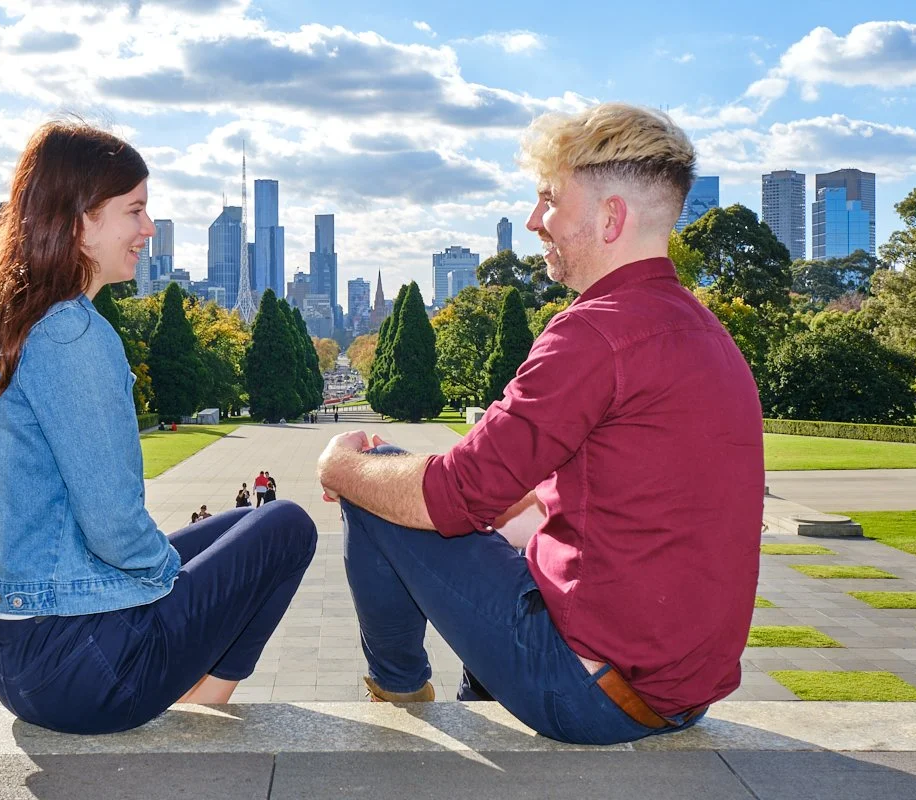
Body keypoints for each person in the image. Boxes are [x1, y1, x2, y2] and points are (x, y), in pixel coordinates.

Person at [317, 103, 762, 746]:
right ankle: (479, 692)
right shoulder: (700, 328)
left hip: (590, 695)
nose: (534, 221)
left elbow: (451, 495)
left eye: (550, 201)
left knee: (373, 481)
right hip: (676, 692)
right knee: (403, 469)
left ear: (610, 217)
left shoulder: (596, 330)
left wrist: (339, 466)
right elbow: (615, 501)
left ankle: (400, 692)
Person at [0, 121, 317, 735]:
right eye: (134, 211)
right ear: (80, 219)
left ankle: (191, 683)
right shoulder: (72, 334)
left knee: (248, 523)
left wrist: (183, 575)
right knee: (289, 526)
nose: (147, 230)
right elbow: (113, 523)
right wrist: (179, 584)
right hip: (84, 670)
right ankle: (203, 705)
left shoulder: (21, 322)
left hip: (22, 660)